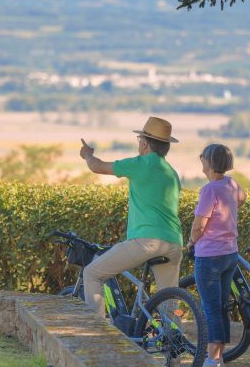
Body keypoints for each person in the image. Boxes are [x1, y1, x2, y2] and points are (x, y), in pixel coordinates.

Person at [79, 116, 184, 317]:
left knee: (92, 274)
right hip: (173, 243)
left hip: (146, 241)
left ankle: (96, 333)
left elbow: (97, 167)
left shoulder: (140, 164)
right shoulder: (171, 173)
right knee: (168, 302)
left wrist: (87, 155)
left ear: (144, 143)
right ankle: (174, 344)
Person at [187, 143, 246, 367]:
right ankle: (219, 355)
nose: (201, 162)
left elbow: (198, 225)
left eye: (203, 159)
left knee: (210, 307)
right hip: (230, 253)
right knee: (220, 305)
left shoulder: (209, 190)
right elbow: (242, 198)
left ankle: (213, 360)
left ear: (209, 163)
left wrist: (192, 241)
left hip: (209, 255)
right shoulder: (231, 184)